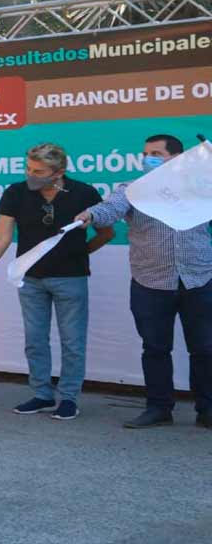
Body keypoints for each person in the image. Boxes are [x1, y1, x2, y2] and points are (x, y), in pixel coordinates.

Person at [0, 144, 114, 420]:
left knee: (73, 341)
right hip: (30, 279)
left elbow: (106, 233)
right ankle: (42, 394)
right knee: (35, 340)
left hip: (70, 279)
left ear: (58, 172)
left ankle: (69, 398)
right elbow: (1, 237)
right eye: (28, 169)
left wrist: (81, 253)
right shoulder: (15, 192)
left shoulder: (84, 193)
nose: (30, 175)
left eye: (38, 171)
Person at [77, 134, 212, 430]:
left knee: (204, 348)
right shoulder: (133, 190)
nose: (148, 158)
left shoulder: (202, 187)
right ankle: (159, 408)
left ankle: (207, 409)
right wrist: (91, 215)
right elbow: (109, 209)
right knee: (155, 348)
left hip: (199, 280)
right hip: (151, 282)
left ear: (176, 158)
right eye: (146, 153)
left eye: (156, 153)